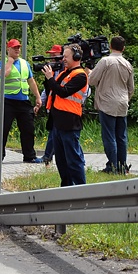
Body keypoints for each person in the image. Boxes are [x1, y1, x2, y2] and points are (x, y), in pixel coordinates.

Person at [41, 44, 90, 186]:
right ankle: (66, 188)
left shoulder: (80, 75)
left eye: (66, 57)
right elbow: (52, 89)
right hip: (58, 122)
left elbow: (63, 92)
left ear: (76, 57)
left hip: (69, 122)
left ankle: (81, 188)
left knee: (73, 159)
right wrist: (48, 78)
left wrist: (51, 78)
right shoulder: (65, 72)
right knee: (61, 160)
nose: (63, 60)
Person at [88, 35, 134, 174]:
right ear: (123, 48)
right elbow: (131, 88)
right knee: (121, 136)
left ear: (110, 46)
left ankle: (112, 166)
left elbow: (92, 80)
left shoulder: (105, 61)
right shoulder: (127, 64)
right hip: (122, 103)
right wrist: (126, 99)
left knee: (109, 136)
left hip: (107, 102)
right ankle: (122, 165)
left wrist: (89, 73)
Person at [0, 38, 43, 164]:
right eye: (14, 48)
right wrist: (10, 61)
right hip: (8, 101)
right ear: (8, 49)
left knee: (28, 129)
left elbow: (31, 81)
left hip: (24, 102)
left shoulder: (25, 63)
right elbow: (4, 74)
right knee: (3, 129)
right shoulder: (1, 63)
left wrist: (37, 97)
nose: (17, 50)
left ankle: (29, 156)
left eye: (19, 47)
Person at [39, 45, 63, 166]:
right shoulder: (51, 71)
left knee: (55, 132)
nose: (52, 58)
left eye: (55, 55)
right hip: (52, 106)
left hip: (60, 107)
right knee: (55, 132)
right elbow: (47, 89)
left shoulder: (64, 71)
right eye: (51, 55)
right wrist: (40, 101)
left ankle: (47, 156)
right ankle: (49, 156)